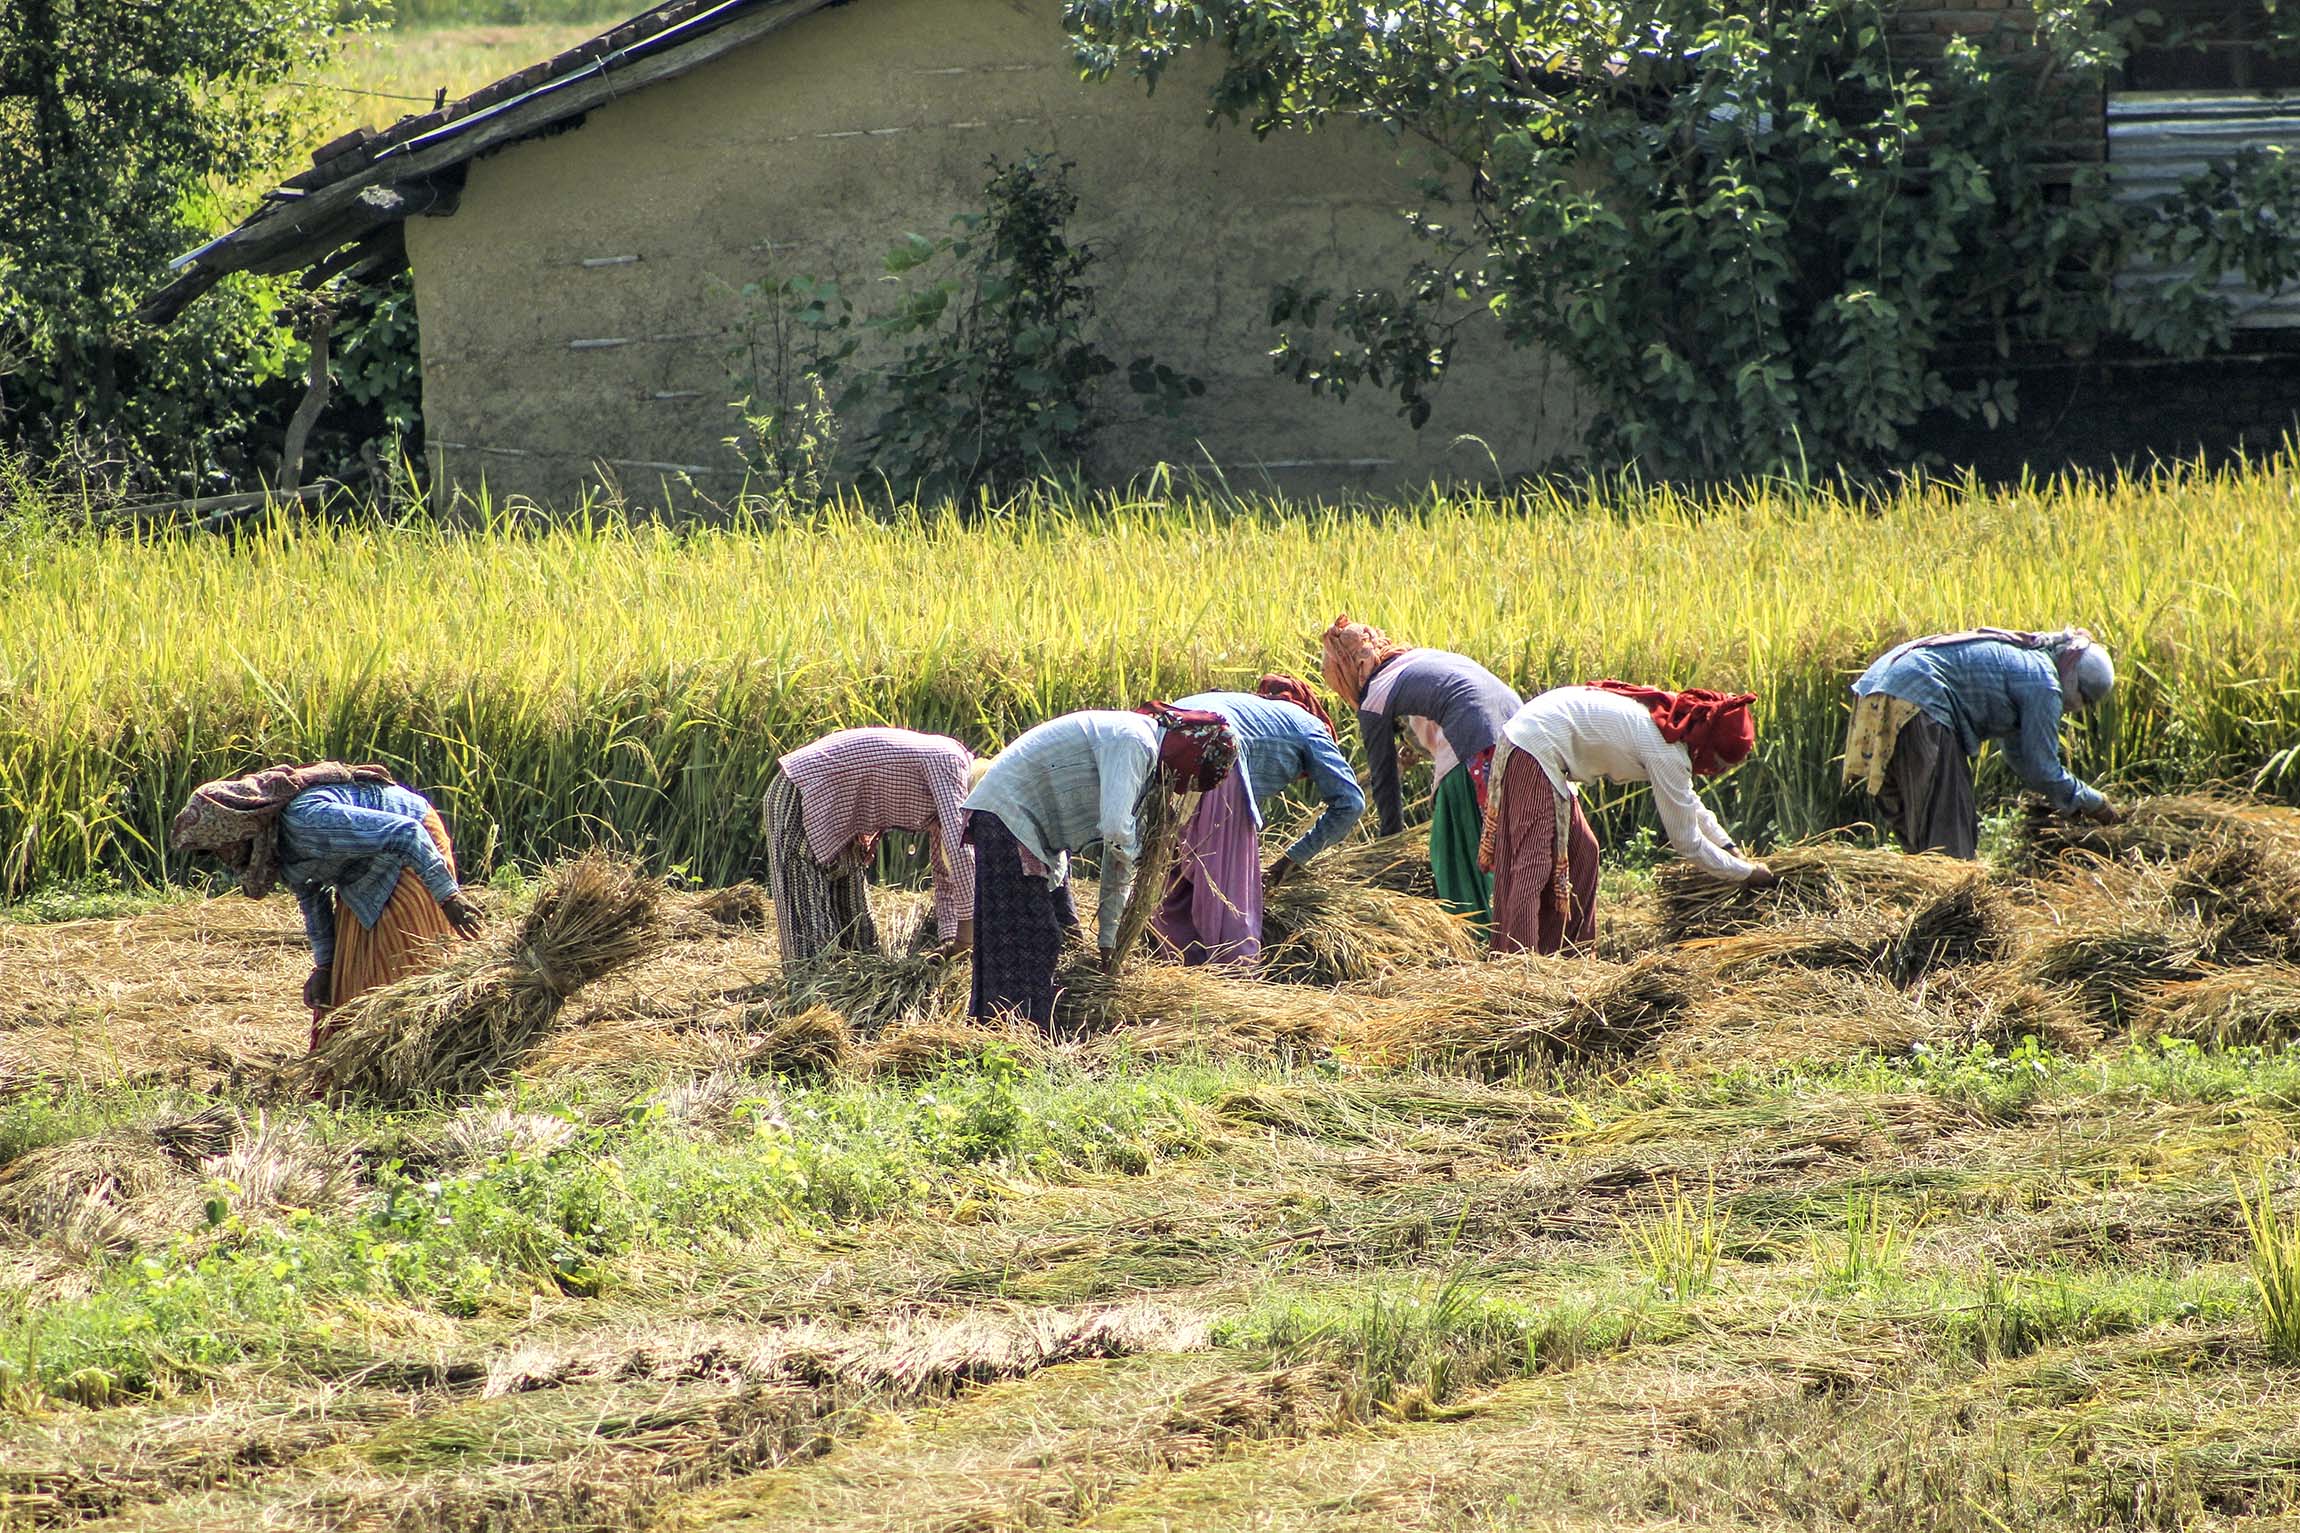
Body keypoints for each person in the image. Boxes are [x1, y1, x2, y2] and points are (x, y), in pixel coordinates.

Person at [168, 761, 483, 1048]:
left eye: (221, 848)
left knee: (398, 966)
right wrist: (326, 966)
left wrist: (447, 895)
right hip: (361, 872)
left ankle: (423, 1053)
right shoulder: (276, 847)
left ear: (237, 828)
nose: (224, 859)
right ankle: (353, 1070)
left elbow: (407, 833)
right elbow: (312, 898)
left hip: (412, 850)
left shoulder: (307, 821)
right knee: (348, 983)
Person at [961, 705, 1236, 1026]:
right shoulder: (1136, 743)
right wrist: (1140, 855)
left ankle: (1037, 1026)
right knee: (1033, 935)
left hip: (1038, 833)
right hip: (1008, 816)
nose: (1179, 787)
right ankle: (1013, 1035)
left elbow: (1117, 864)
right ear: (1190, 752)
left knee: (1065, 929)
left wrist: (1108, 945)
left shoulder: (1148, 768)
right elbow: (1117, 831)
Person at [1486, 682, 1775, 954]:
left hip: (1544, 740)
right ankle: (1517, 960)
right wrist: (1746, 874)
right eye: (1722, 765)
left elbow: (1687, 801)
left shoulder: (1677, 726)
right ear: (1710, 747)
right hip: (1534, 744)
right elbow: (1687, 843)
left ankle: (1569, 957)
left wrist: (1729, 849)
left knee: (1584, 852)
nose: (1719, 772)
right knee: (1534, 863)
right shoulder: (1667, 749)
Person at [1847, 627, 2120, 859]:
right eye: (2082, 699)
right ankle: (1953, 910)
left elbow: (2020, 756)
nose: (2075, 707)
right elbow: (2043, 768)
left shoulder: (2027, 662)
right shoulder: (2045, 683)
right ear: (2072, 675)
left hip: (1880, 688)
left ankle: (1927, 900)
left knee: (1915, 821)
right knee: (1950, 828)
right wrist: (2094, 802)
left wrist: (2062, 796)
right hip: (1921, 698)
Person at [1320, 616, 1521, 932]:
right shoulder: (1414, 659)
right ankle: (1518, 934)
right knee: (1508, 848)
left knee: (1453, 854)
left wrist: (1389, 846)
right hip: (1521, 736)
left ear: (1353, 667)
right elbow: (1442, 701)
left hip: (1473, 743)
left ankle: (1477, 940)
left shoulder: (1373, 697)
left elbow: (1383, 779)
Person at [1154, 673, 1367, 965]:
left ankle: (1180, 969)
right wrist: (1289, 862)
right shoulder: (1310, 725)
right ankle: (1233, 982)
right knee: (1228, 889)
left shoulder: (1251, 707)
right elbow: (1350, 802)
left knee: (1172, 877)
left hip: (1160, 738)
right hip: (1216, 746)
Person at [763, 727, 980, 964]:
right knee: (810, 953)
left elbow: (946, 872)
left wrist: (951, 944)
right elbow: (961, 853)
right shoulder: (951, 763)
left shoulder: (951, 784)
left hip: (844, 818)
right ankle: (811, 998)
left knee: (862, 950)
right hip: (802, 792)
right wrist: (966, 942)